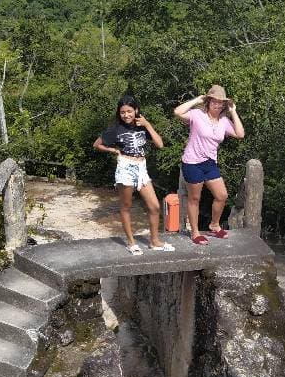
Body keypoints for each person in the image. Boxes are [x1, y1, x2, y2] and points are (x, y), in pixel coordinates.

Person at [93, 94, 175, 255]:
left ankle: (154, 241)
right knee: (126, 206)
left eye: (129, 111)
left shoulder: (142, 125)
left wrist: (147, 124)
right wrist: (113, 150)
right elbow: (97, 144)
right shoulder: (115, 129)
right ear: (119, 113)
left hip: (141, 167)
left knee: (154, 206)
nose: (126, 115)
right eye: (123, 112)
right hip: (126, 167)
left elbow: (160, 144)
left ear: (136, 110)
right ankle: (131, 242)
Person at [174, 85, 245, 245]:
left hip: (210, 163)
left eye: (221, 103)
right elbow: (177, 112)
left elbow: (240, 134)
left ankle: (214, 224)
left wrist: (233, 111)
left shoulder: (224, 121)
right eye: (214, 101)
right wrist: (197, 100)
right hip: (192, 163)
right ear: (208, 101)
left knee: (222, 196)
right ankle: (195, 232)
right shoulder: (197, 114)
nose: (218, 105)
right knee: (194, 198)